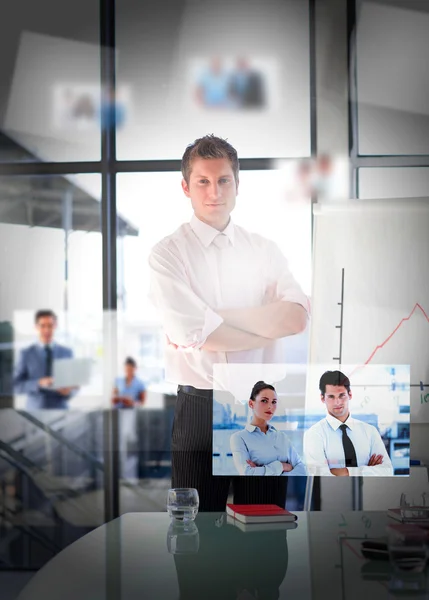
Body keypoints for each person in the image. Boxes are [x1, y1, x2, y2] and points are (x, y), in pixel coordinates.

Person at [149, 134, 309, 511]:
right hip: (201, 407)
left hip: (264, 405)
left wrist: (215, 320)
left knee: (266, 530)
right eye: (203, 181)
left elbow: (296, 317)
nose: (214, 191)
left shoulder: (265, 250)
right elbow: (194, 333)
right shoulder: (167, 254)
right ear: (186, 187)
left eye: (224, 180)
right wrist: (261, 322)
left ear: (238, 185)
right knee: (194, 528)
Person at [303, 370, 394, 476]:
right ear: (322, 398)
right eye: (331, 397)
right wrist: (368, 470)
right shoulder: (314, 434)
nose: (337, 402)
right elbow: (319, 476)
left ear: (350, 394)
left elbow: (388, 471)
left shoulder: (370, 432)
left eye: (341, 395)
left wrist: (345, 472)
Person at [230, 381, 306, 476]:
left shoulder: (282, 437)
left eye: (274, 402)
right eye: (264, 401)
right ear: (251, 403)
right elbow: (247, 473)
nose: (270, 406)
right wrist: (282, 466)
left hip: (286, 490)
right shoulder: (239, 438)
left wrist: (262, 470)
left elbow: (302, 470)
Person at [13, 310, 76, 410]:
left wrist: (69, 391)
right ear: (36, 327)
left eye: (50, 325)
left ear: (55, 326)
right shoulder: (26, 354)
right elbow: (16, 386)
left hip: (61, 410)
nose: (47, 330)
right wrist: (38, 383)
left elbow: (74, 384)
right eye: (42, 326)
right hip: (35, 412)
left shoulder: (67, 353)